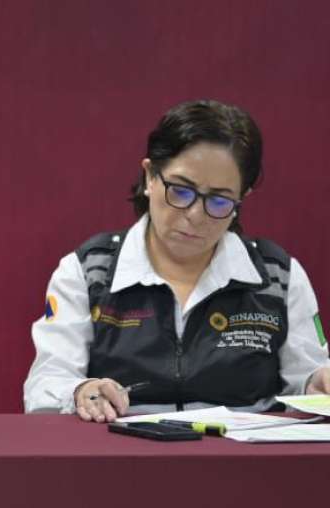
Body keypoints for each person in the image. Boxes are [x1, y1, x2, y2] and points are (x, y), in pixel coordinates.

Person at [24, 99, 330, 422]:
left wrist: (317, 384)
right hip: (123, 461)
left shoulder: (278, 276)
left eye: (220, 200)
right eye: (181, 191)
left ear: (242, 199)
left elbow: (305, 380)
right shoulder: (88, 272)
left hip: (244, 463)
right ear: (150, 178)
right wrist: (81, 391)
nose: (195, 216)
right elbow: (44, 387)